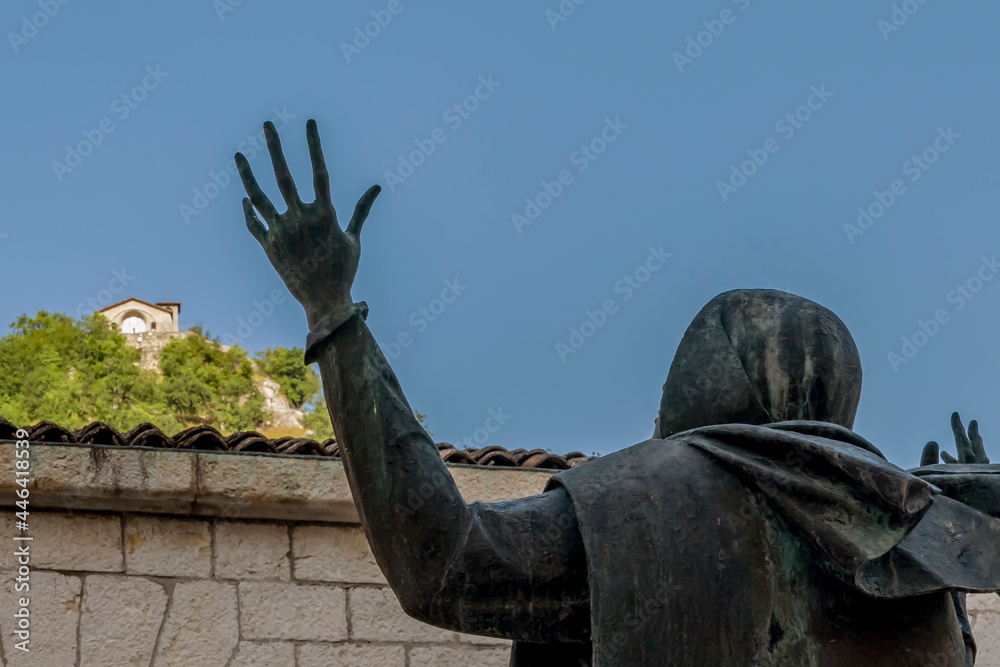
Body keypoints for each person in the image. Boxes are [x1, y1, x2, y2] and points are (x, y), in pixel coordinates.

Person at [236, 119, 1000, 666]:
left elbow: (444, 562)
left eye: (677, 380)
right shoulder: (917, 553)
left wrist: (333, 317)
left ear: (719, 379)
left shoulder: (646, 505)